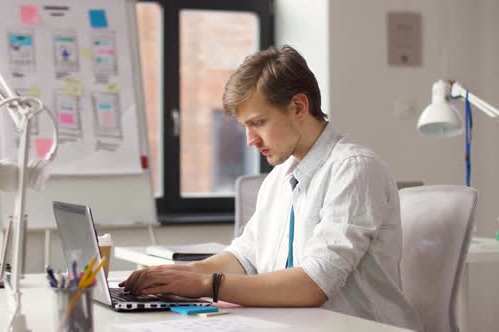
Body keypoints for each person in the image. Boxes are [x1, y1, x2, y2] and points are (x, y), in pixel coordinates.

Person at [120, 45, 423, 331]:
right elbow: (244, 257)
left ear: (299, 107)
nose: (251, 140)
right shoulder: (280, 178)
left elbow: (313, 285)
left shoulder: (354, 168)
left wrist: (206, 285)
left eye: (259, 123)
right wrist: (184, 275)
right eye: (246, 128)